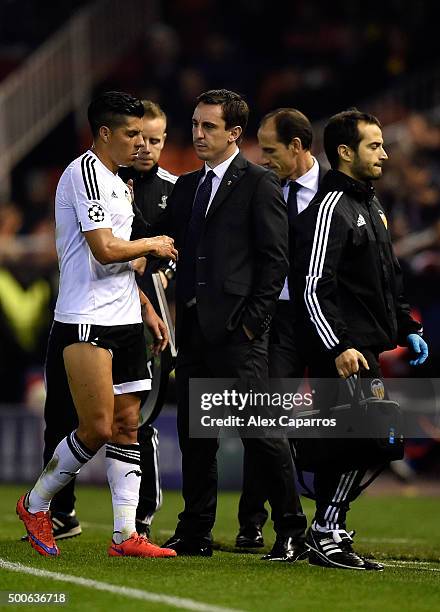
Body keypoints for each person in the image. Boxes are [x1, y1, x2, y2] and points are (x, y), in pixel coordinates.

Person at [17, 90, 178, 558]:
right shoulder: (84, 174)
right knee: (97, 428)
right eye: (130, 133)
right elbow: (105, 249)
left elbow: (122, 264)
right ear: (105, 133)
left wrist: (146, 309)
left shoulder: (118, 182)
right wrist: (153, 244)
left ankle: (125, 535)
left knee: (129, 424)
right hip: (86, 319)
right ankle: (36, 502)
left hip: (126, 317)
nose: (139, 142)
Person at [154, 89, 307, 561]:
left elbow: (275, 262)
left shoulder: (259, 183)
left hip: (240, 334)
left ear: (234, 133)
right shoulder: (186, 187)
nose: (198, 134)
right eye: (196, 125)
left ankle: (291, 529)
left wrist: (251, 326)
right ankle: (196, 529)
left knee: (259, 431)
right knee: (195, 434)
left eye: (209, 127)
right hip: (195, 332)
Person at [293, 108, 428, 570]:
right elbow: (313, 285)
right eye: (374, 145)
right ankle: (326, 532)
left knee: (369, 439)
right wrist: (337, 346)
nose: (385, 154)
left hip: (364, 345)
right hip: (344, 350)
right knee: (367, 437)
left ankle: (328, 530)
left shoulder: (370, 204)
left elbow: (387, 278)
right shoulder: (332, 207)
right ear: (345, 152)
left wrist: (407, 327)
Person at [236, 108, 320, 549]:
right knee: (264, 418)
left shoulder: (335, 193)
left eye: (270, 150)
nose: (262, 158)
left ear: (297, 146)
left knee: (339, 424)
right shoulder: (261, 188)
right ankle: (252, 520)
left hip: (325, 324)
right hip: (279, 320)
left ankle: (329, 522)